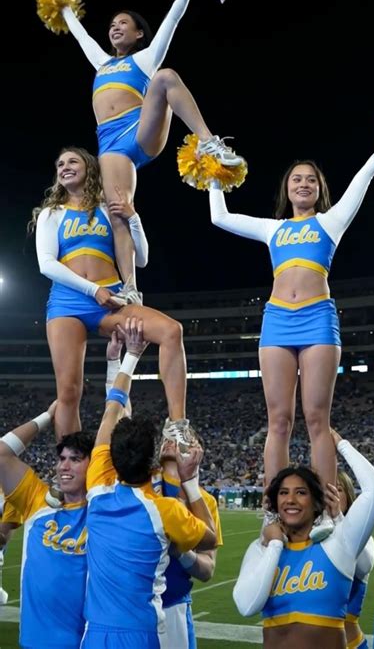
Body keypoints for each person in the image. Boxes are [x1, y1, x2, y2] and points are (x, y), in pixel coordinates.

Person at [209, 144, 374, 519]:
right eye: (297, 179)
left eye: (311, 179)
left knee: (315, 419)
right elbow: (219, 216)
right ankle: (274, 509)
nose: (303, 184)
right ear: (287, 189)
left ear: (320, 189)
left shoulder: (331, 221)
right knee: (278, 421)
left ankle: (327, 511)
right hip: (276, 320)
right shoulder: (272, 228)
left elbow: (365, 175)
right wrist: (212, 173)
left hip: (317, 320)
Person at [58, 0, 243, 303]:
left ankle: (207, 141)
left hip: (142, 129)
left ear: (139, 33)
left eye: (124, 24)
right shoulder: (101, 62)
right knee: (118, 210)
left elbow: (174, 17)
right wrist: (66, 8)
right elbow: (81, 35)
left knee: (166, 77)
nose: (115, 28)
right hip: (112, 144)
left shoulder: (144, 59)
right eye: (113, 24)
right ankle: (130, 287)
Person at [29, 146, 194, 448]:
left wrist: (134, 219)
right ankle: (73, 466)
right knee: (68, 391)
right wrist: (94, 291)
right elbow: (47, 263)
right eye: (60, 163)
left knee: (172, 331)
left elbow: (140, 259)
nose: (64, 166)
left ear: (89, 168)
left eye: (72, 161)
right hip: (69, 304)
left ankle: (177, 424)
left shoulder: (108, 208)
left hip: (115, 299)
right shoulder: (52, 213)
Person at [82, 317, 217, 649]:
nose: (177, 442)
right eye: (172, 436)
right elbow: (117, 421)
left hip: (166, 610)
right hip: (146, 622)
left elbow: (112, 415)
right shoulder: (168, 508)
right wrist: (191, 482)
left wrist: (126, 357)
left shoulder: (101, 489)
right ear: (155, 458)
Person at [233, 430, 374, 649]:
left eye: (301, 492)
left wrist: (341, 445)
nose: (291, 500)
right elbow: (246, 606)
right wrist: (275, 544)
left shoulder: (338, 544)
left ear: (316, 501)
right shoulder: (261, 549)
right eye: (283, 493)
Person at [0, 401, 94, 649]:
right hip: (34, 641)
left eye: (75, 459)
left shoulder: (103, 510)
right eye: (61, 458)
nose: (64, 466)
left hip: (86, 641)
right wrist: (46, 417)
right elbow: (1, 453)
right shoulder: (37, 500)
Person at [156, 437, 223, 649]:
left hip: (173, 607)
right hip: (132, 606)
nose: (170, 439)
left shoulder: (205, 502)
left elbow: (207, 570)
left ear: (196, 451)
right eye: (167, 435)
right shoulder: (142, 485)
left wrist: (181, 552)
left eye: (180, 437)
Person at [337, 470, 374, 649]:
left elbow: (364, 566)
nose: (332, 495)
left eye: (338, 489)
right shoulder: (308, 536)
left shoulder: (362, 536)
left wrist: (338, 520)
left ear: (349, 496)